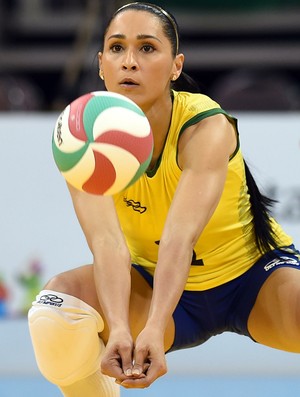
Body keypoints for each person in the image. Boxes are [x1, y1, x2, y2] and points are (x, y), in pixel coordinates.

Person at [28, 2, 300, 397]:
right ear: (101, 63)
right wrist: (120, 328)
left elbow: (179, 237)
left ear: (176, 66)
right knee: (56, 313)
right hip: (153, 280)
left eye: (148, 48)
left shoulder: (205, 126)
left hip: (253, 278)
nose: (130, 63)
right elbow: (107, 245)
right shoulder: (80, 135)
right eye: (117, 48)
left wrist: (154, 328)